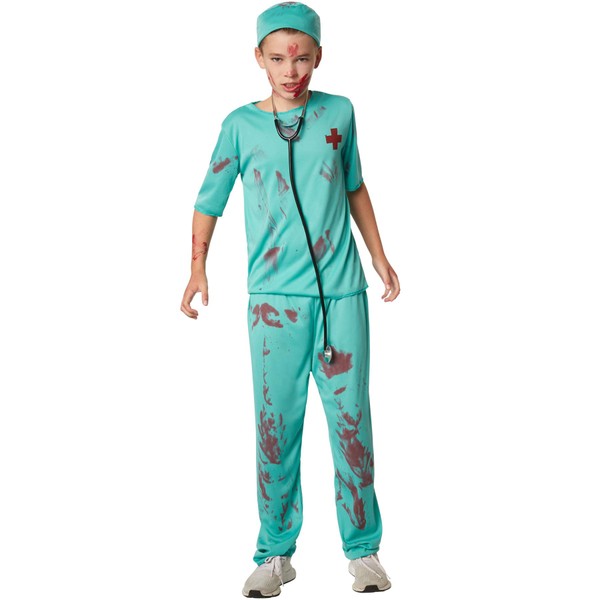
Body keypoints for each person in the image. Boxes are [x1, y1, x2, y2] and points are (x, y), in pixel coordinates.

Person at [180, 2, 400, 595]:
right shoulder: (239, 125)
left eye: (301, 58)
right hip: (273, 306)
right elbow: (208, 201)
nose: (290, 70)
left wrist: (379, 256)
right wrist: (197, 269)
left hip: (341, 298)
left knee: (352, 426)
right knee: (275, 429)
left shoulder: (340, 112)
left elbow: (355, 186)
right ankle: (275, 552)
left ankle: (364, 551)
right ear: (258, 58)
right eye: (277, 58)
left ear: (318, 56)